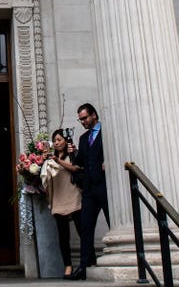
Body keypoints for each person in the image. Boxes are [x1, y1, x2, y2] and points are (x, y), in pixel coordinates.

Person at [65, 103, 109, 281]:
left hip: (105, 186)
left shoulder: (107, 133)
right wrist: (74, 152)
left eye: (84, 118)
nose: (82, 121)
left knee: (111, 220)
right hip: (90, 188)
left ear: (94, 115)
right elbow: (80, 163)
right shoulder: (84, 138)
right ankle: (84, 265)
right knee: (85, 226)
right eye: (80, 119)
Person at [44, 129, 82, 278]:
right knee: (63, 236)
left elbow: (76, 168)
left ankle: (87, 260)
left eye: (59, 139)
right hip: (58, 198)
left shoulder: (72, 153)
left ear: (65, 140)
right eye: (55, 140)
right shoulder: (50, 158)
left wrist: (57, 160)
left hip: (73, 195)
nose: (57, 142)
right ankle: (68, 265)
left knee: (81, 230)